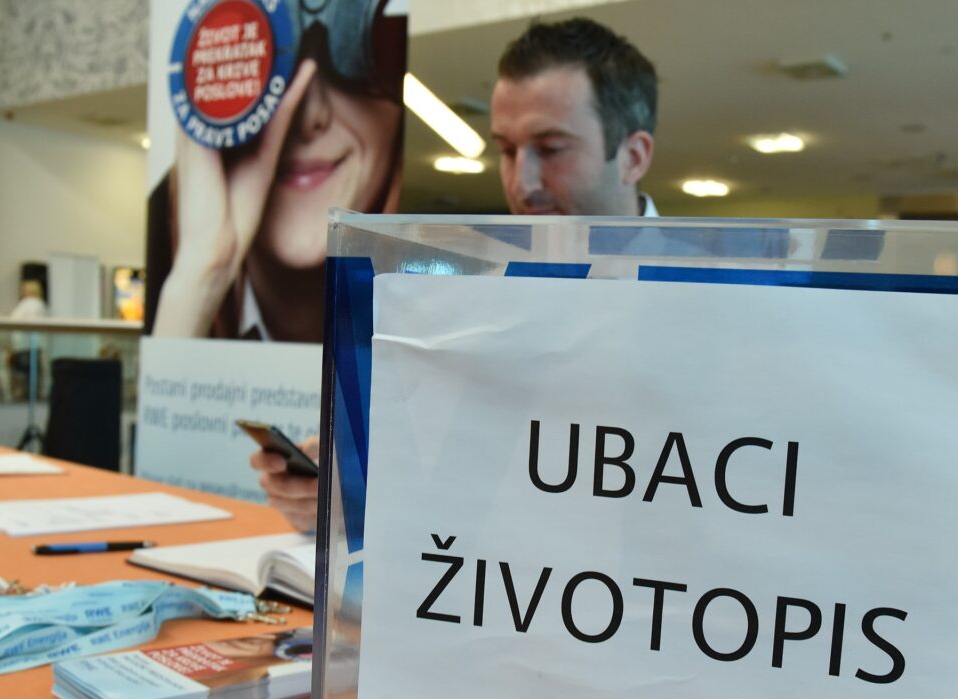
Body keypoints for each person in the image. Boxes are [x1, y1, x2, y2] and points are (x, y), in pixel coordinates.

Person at [254, 16, 659, 530]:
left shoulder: (725, 307)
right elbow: (450, 469)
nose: (522, 182)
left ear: (633, 157)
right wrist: (346, 485)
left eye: (552, 148)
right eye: (507, 150)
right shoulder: (470, 293)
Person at [149, 0, 406, 344]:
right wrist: (200, 277)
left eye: (347, 47)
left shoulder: (434, 298)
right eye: (275, 72)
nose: (309, 117)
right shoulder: (162, 234)